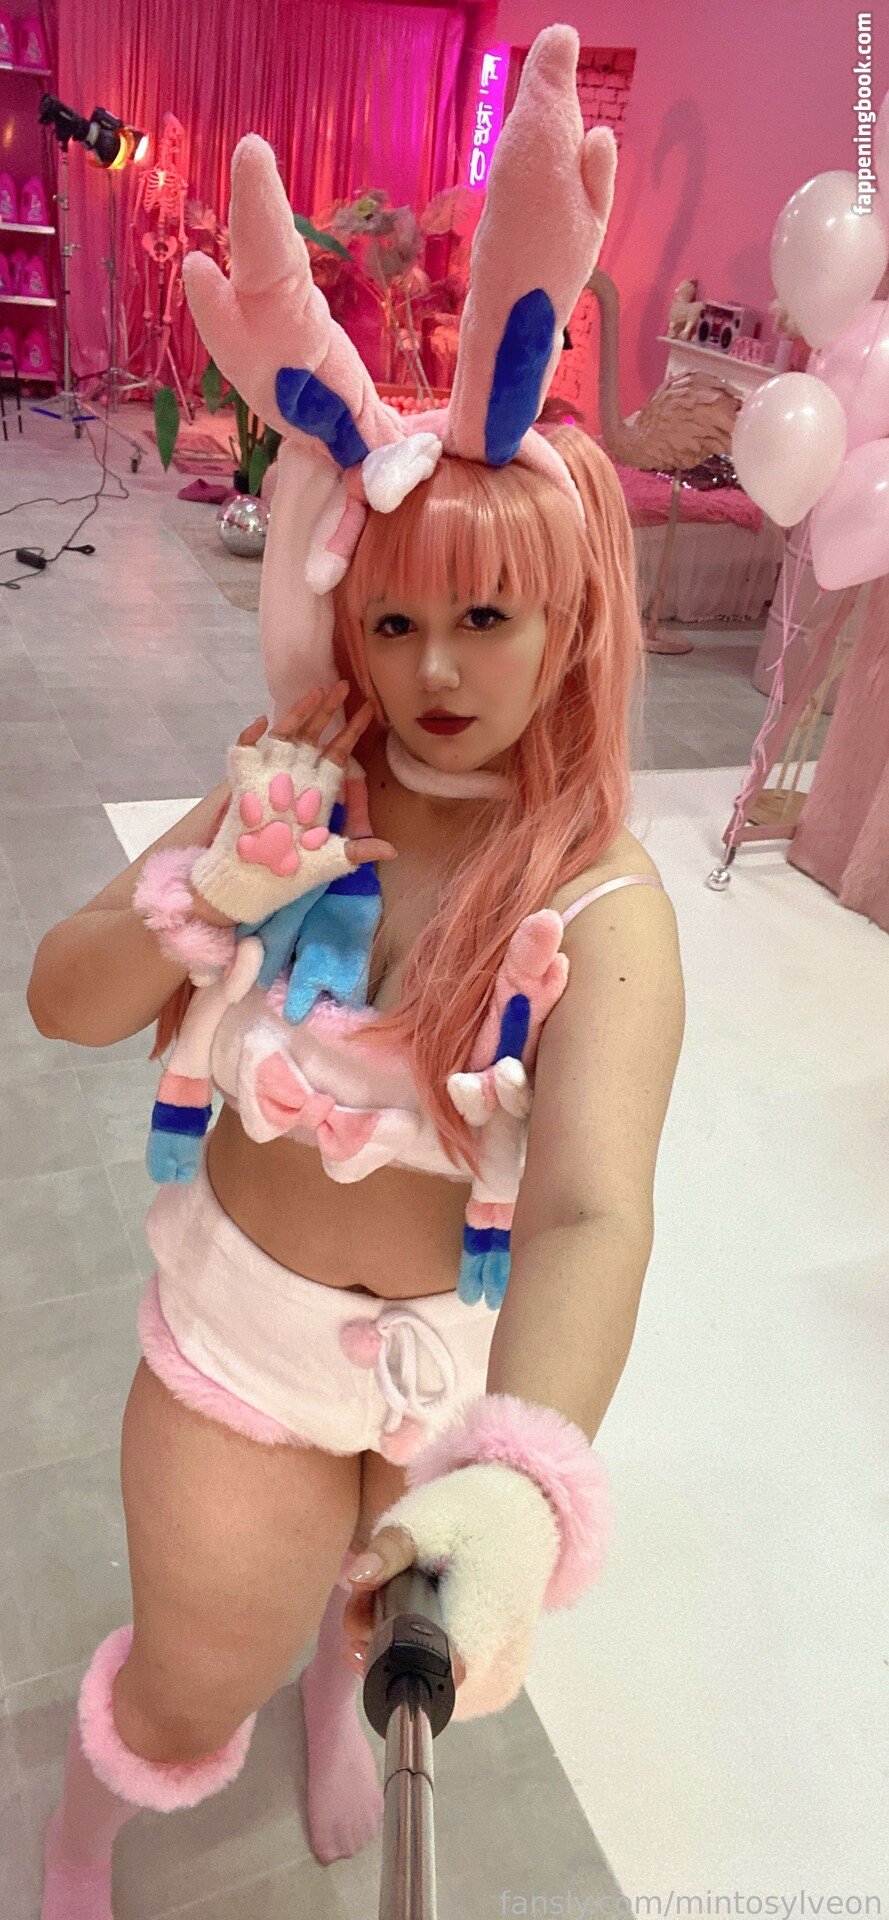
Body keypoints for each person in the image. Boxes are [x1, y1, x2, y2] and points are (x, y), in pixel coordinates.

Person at [26, 27, 685, 1919]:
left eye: (486, 614)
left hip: (448, 1363)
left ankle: (338, 1685)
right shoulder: (291, 786)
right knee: (193, 1671)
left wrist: (520, 1469)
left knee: (367, 1622)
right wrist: (212, 888)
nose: (435, 669)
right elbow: (64, 1003)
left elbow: (589, 1213)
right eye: (393, 619)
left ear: (568, 623)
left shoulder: (603, 900)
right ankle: (90, 1821)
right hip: (240, 1340)